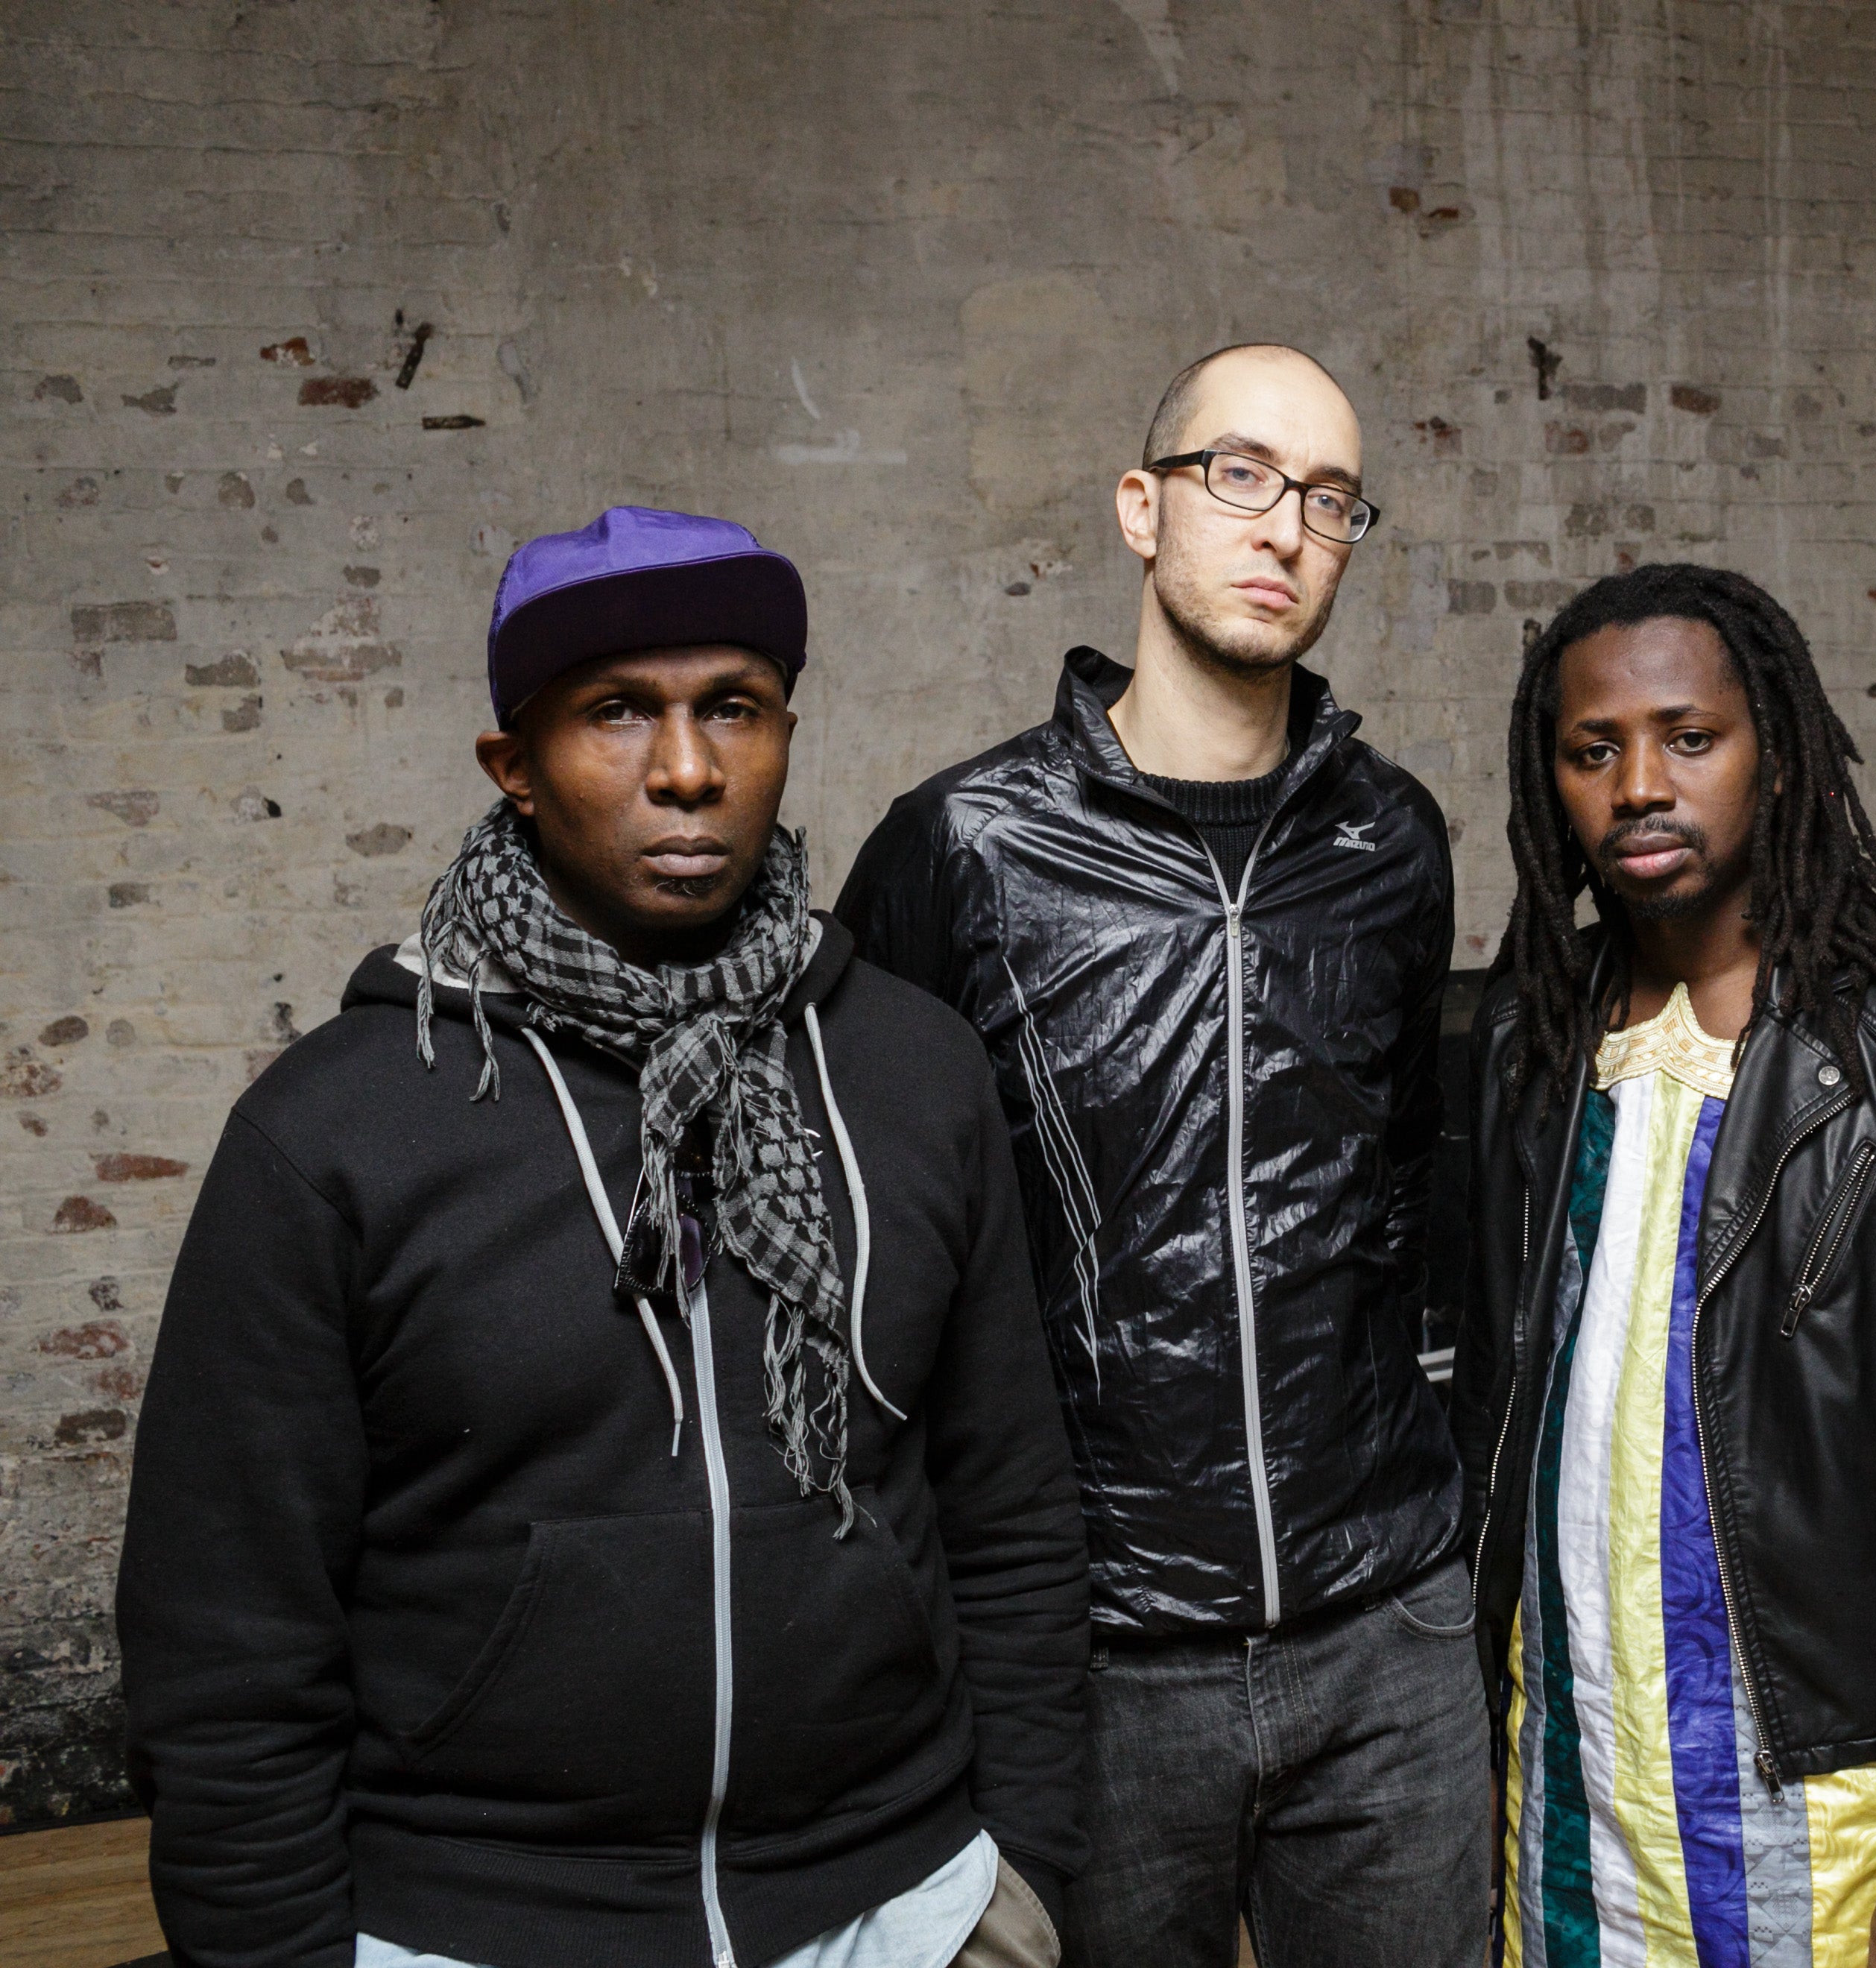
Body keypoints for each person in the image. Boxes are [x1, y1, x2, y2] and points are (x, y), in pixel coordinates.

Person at [117, 506, 1089, 1968]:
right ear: (513, 766)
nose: (687, 769)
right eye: (618, 711)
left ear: (784, 734)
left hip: (901, 1904)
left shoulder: (918, 1073)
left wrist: (1024, 1875)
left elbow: (1010, 1515)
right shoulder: (335, 1132)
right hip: (481, 1925)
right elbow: (229, 1643)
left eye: (734, 708)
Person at [834, 345, 1485, 1967]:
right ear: (1143, 507)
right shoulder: (965, 847)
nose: (1284, 527)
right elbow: (870, 1243)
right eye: (1241, 475)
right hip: (1102, 1656)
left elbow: (1402, 1186)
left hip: (1387, 1627)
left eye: (1330, 499)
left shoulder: (1393, 841)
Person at [1454, 563, 1876, 1968]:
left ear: (1778, 756)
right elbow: (1493, 1418)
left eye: (1691, 737)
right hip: (1568, 1778)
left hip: (1826, 1790)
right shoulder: (1529, 1040)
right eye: (1593, 751)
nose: (1640, 787)